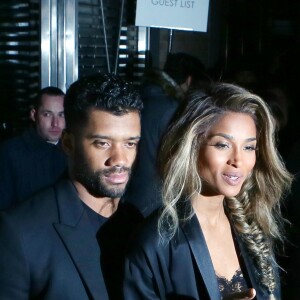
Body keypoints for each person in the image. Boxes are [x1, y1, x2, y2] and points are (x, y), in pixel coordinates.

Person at [124, 83, 292, 299]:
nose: (238, 160)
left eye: (249, 147)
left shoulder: (253, 228)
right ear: (191, 145)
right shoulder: (155, 241)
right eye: (223, 145)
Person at [0, 73, 143, 299]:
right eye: (103, 143)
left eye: (130, 143)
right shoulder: (20, 232)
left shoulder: (138, 224)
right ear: (68, 143)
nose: (120, 159)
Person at [125, 52, 211, 217]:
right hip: (156, 199)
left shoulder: (142, 97)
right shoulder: (171, 109)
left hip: (132, 194)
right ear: (189, 80)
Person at [0, 86, 67, 209]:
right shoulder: (10, 152)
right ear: (33, 115)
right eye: (47, 114)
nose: (55, 123)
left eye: (61, 115)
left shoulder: (74, 151)